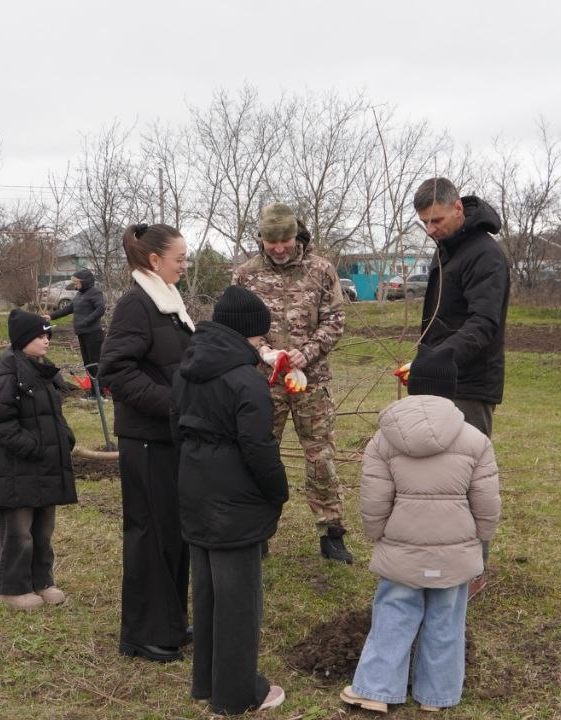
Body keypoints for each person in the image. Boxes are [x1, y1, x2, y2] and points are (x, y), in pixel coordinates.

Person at [340, 344, 500, 714]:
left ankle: (375, 689)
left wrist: (377, 533)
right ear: (451, 389)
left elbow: (374, 498)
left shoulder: (383, 439)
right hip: (455, 551)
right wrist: (481, 537)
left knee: (393, 614)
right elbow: (487, 502)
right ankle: (437, 696)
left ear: (412, 386)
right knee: (447, 620)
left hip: (402, 548)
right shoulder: (476, 440)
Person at [172, 285, 289, 714]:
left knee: (206, 594)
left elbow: (176, 429)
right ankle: (238, 694)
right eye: (259, 335)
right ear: (246, 333)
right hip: (235, 502)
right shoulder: (247, 382)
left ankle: (208, 681)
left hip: (194, 490)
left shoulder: (185, 369)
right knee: (239, 601)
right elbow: (259, 448)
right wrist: (278, 491)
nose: (262, 343)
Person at [98, 222, 195, 663]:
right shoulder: (136, 304)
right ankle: (142, 633)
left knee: (172, 532)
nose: (185, 265)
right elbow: (115, 370)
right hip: (145, 440)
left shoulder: (168, 302)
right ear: (155, 260)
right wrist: (173, 403)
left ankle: (170, 623)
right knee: (150, 534)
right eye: (180, 258)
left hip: (168, 437)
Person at [232, 203, 351, 563]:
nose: (279, 248)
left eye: (285, 240)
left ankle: (331, 532)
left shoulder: (321, 270)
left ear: (296, 235)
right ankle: (256, 531)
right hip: (262, 384)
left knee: (320, 456)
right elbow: (235, 324)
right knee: (257, 455)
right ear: (262, 239)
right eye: (272, 242)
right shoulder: (246, 275)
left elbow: (335, 319)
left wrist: (307, 352)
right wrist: (263, 351)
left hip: (310, 383)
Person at [412, 177, 509, 596]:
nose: (430, 229)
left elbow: (483, 324)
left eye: (436, 220)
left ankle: (473, 571)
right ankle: (444, 558)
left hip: (469, 384)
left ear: (458, 209)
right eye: (424, 223)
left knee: (470, 477)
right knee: (440, 476)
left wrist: (440, 357)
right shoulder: (449, 249)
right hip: (441, 378)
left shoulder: (485, 256)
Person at [0, 309, 77, 610]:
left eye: (47, 335)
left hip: (45, 465)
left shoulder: (44, 372)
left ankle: (42, 582)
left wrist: (65, 438)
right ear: (23, 340)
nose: (46, 340)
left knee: (43, 530)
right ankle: (13, 588)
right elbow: (1, 423)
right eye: (39, 336)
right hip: (17, 467)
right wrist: (32, 447)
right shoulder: (9, 376)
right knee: (19, 532)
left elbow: (53, 415)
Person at [43, 268, 105, 384]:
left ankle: (99, 390)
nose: (75, 286)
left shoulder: (95, 292)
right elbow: (69, 309)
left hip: (93, 333)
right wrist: (51, 316)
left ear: (85, 281)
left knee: (94, 363)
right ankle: (92, 389)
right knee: (87, 363)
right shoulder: (79, 294)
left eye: (77, 283)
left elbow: (100, 309)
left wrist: (86, 321)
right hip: (82, 333)